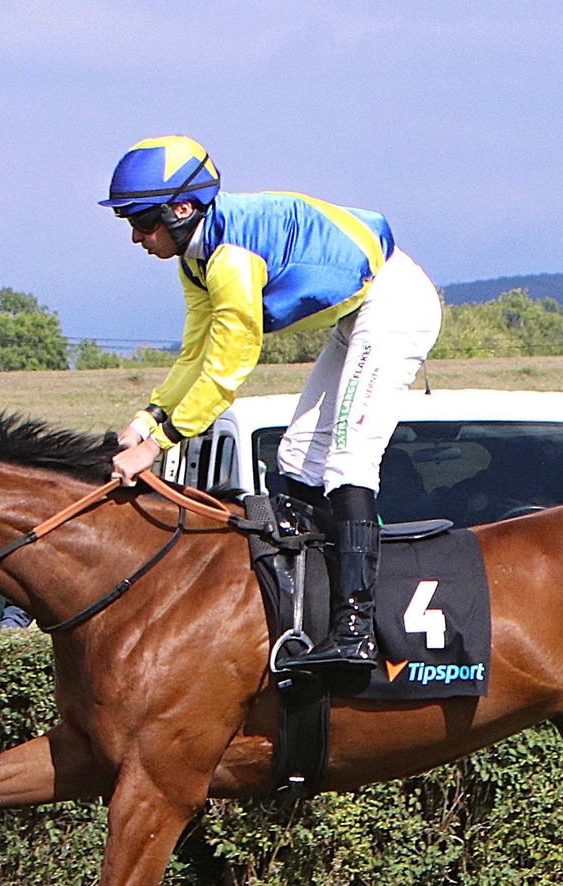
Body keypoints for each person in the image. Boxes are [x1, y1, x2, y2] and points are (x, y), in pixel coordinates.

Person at [101, 136, 442, 672]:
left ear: (182, 208)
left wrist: (161, 443)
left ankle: (357, 627)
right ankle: (311, 610)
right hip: (356, 313)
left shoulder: (230, 259)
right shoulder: (195, 259)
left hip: (393, 304)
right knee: (296, 457)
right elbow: (197, 351)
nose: (136, 237)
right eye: (128, 222)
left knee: (348, 460)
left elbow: (229, 365)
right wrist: (146, 419)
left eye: (142, 221)